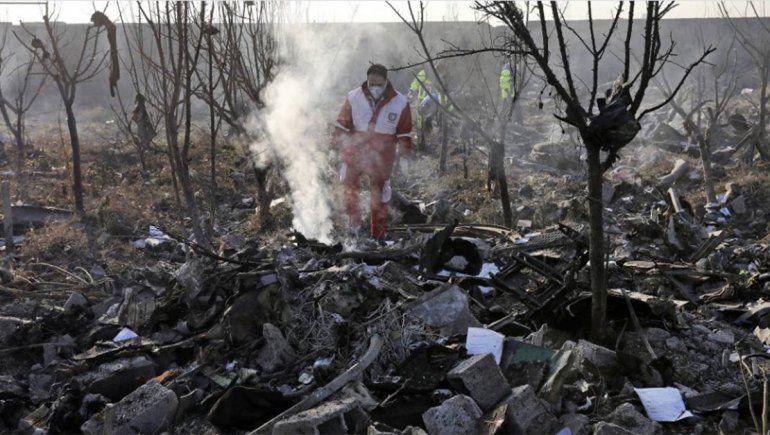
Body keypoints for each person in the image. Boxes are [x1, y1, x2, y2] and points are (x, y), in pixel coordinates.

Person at [332, 64, 413, 240]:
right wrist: (335, 147)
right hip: (355, 152)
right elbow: (342, 125)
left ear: (385, 82)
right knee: (350, 189)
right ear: (367, 81)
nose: (374, 88)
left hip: (382, 157)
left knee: (380, 196)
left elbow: (404, 133)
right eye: (371, 84)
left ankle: (378, 236)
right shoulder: (354, 97)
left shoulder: (400, 102)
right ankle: (354, 229)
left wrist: (405, 157)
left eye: (378, 84)